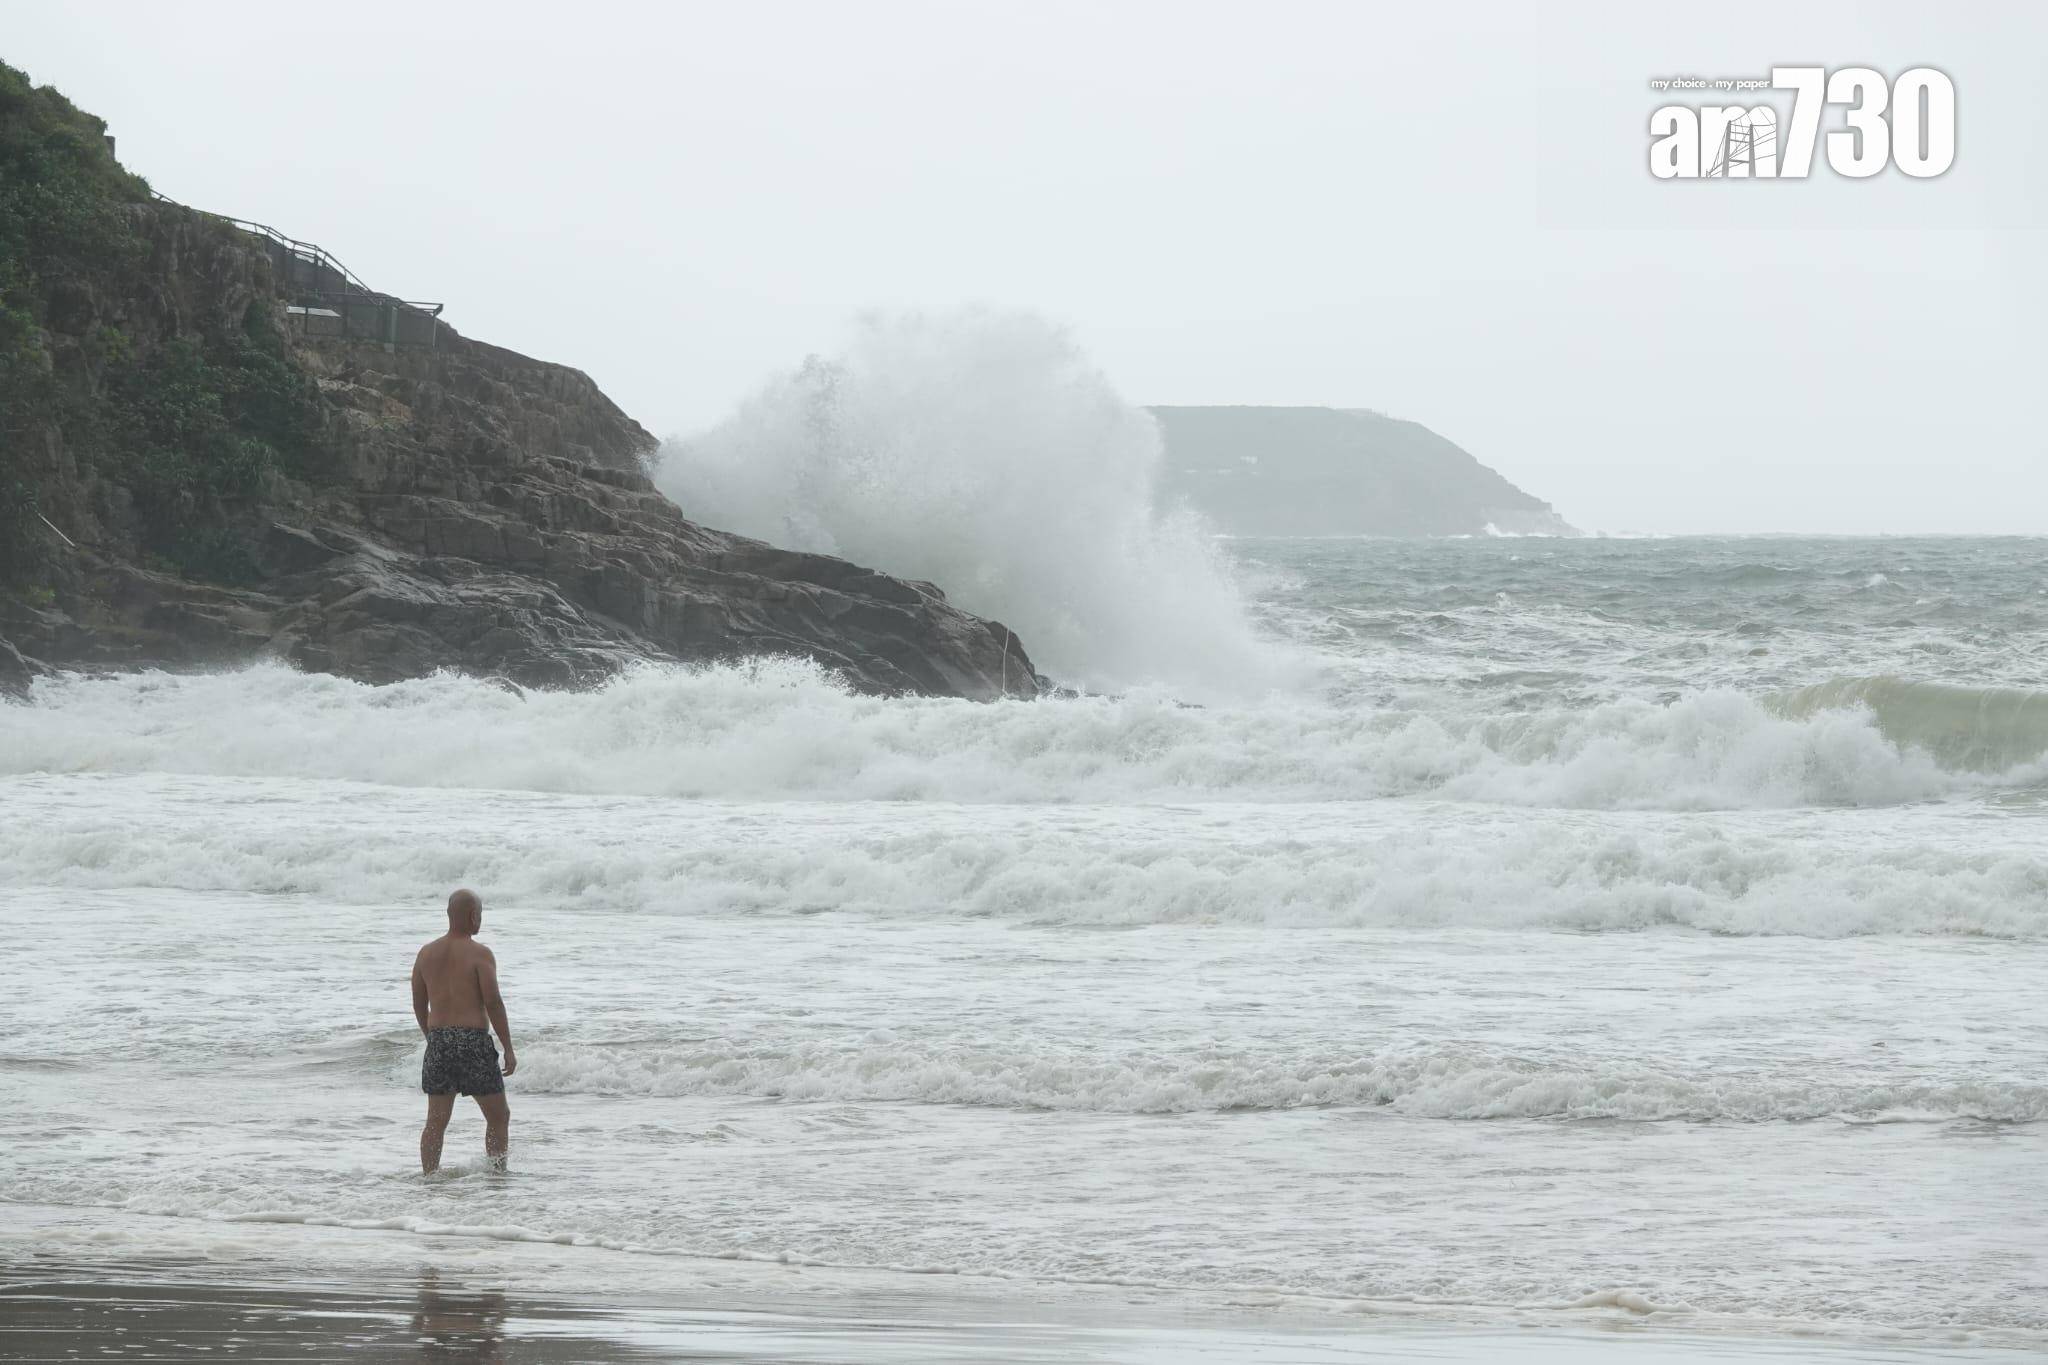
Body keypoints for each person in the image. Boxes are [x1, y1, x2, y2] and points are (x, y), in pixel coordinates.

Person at [411, 888, 517, 1173]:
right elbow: (493, 1002)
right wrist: (508, 1047)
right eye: (480, 914)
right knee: (498, 1116)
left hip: (439, 1041)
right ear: (473, 916)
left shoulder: (426, 953)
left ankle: (430, 1177)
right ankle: (497, 1174)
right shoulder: (480, 954)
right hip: (473, 1042)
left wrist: (432, 1038)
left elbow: (419, 1004)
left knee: (436, 1121)